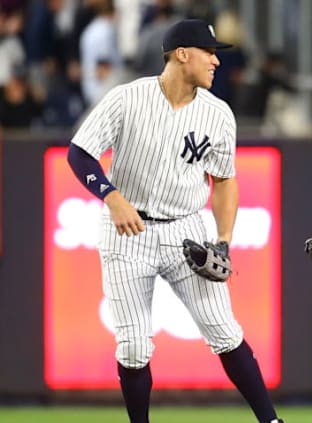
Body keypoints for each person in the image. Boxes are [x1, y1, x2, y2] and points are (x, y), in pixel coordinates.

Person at [66, 19, 283, 423]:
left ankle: (271, 421)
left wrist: (223, 239)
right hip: (127, 232)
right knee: (133, 346)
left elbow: (224, 181)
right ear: (182, 54)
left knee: (224, 331)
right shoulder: (127, 99)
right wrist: (110, 196)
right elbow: (79, 153)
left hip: (186, 229)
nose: (217, 62)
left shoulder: (218, 114)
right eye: (210, 52)